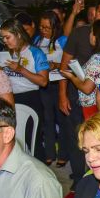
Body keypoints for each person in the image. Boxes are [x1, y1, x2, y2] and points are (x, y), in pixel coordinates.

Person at [60, 0, 100, 187]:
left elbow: (87, 86)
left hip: (91, 105)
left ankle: (88, 180)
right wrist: (63, 94)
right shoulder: (82, 37)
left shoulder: (99, 56)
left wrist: (71, 77)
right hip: (88, 103)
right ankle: (84, 178)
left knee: (88, 143)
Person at [0, 18, 49, 161]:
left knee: (31, 138)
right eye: (3, 37)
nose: (5, 41)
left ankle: (39, 171)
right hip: (8, 97)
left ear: (18, 34)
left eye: (8, 37)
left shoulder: (35, 52)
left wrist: (20, 69)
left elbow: (43, 81)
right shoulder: (6, 53)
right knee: (11, 137)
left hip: (29, 98)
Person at [33, 11, 71, 166]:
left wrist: (56, 65)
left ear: (55, 27)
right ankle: (49, 153)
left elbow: (69, 63)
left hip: (60, 84)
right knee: (47, 120)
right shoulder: (36, 40)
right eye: (41, 27)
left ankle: (63, 153)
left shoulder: (63, 41)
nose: (43, 30)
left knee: (62, 120)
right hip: (43, 85)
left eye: (47, 27)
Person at [60, 19, 100, 119]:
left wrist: (72, 77)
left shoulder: (97, 58)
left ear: (96, 38)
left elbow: (87, 89)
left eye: (91, 32)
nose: (89, 34)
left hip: (93, 107)